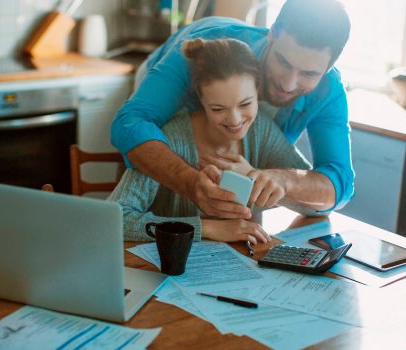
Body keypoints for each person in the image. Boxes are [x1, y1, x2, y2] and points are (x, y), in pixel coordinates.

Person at [110, 0, 354, 220]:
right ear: (273, 34)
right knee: (148, 184)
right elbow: (130, 124)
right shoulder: (208, 50)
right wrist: (190, 182)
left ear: (329, 67)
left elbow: (340, 186)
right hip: (166, 84)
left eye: (309, 74)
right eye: (283, 61)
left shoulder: (330, 92)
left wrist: (284, 179)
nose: (287, 84)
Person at [108, 38, 318, 243]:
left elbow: (314, 205)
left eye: (245, 104)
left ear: (257, 90)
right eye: (218, 109)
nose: (235, 121)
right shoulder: (169, 138)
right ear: (201, 99)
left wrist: (271, 181)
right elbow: (115, 219)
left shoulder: (260, 130)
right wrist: (207, 228)